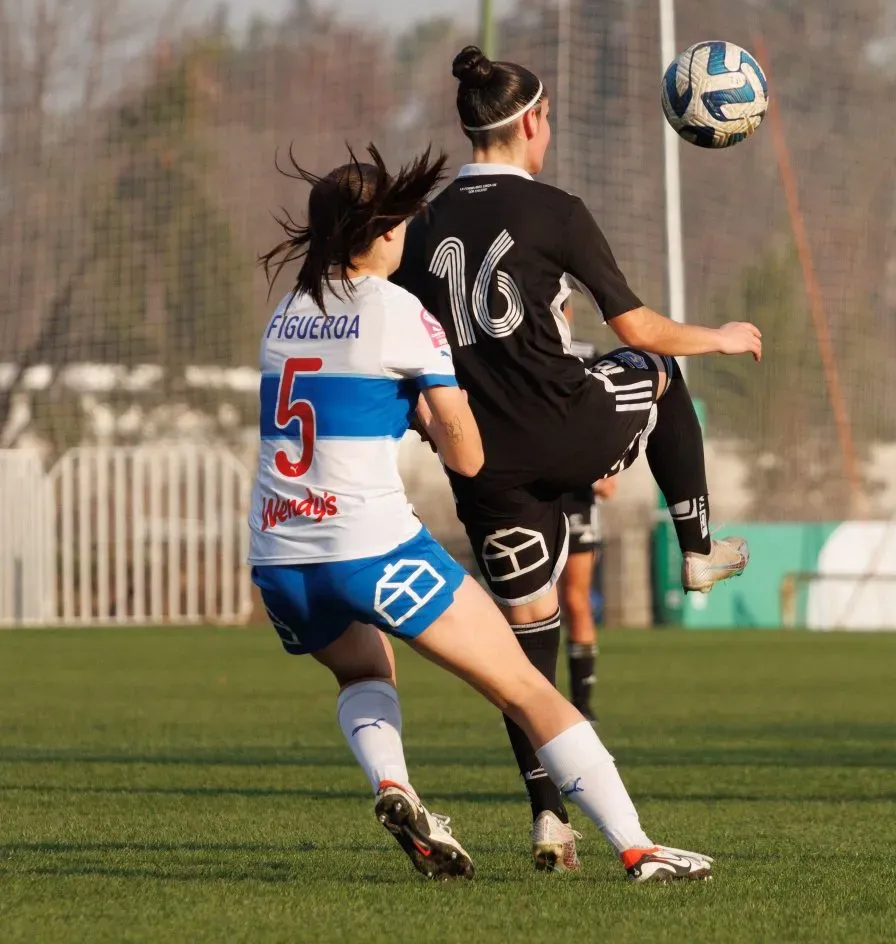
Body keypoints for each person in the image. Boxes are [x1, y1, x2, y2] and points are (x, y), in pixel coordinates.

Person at [246, 143, 715, 884]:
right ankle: (638, 847)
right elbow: (465, 457)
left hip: (278, 554)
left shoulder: (286, 314)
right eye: (398, 223)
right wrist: (447, 420)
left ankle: (395, 788)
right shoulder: (402, 313)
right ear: (379, 235)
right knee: (527, 688)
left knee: (364, 670)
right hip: (369, 547)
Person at [394, 46, 761, 871]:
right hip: (565, 423)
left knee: (523, 651)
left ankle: (549, 824)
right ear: (531, 122)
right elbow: (637, 332)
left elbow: (409, 354)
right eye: (548, 117)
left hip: (483, 464)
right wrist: (720, 339)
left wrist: (423, 420)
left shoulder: (418, 229)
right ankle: (697, 552)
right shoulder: (557, 210)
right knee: (661, 375)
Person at [557, 303, 615, 723]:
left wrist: (605, 468)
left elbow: (605, 420)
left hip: (576, 495)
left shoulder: (588, 355)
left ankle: (583, 705)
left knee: (575, 598)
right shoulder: (513, 349)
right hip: (527, 490)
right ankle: (533, 701)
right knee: (529, 606)